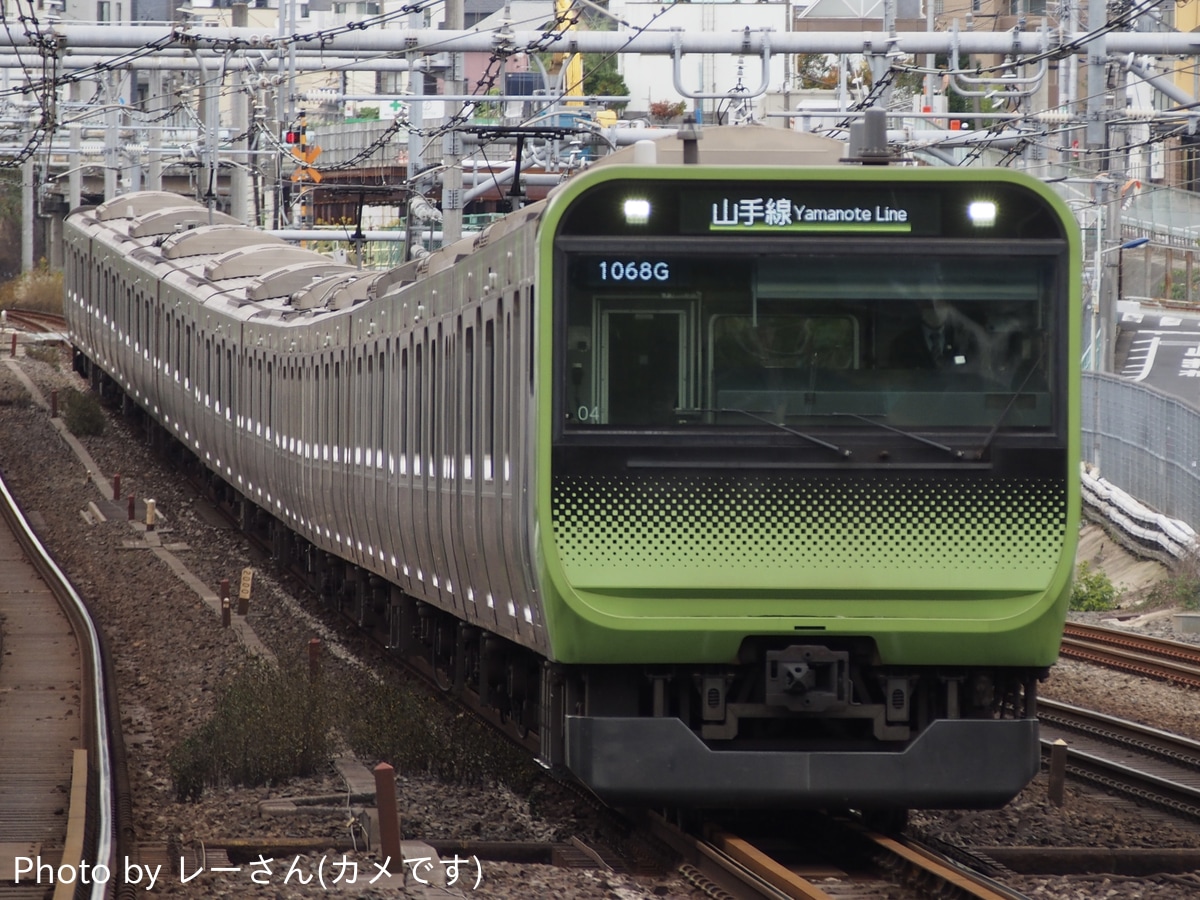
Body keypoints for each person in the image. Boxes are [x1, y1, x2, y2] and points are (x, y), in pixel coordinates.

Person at [889, 299, 975, 370]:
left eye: (940, 304)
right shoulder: (903, 343)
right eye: (929, 305)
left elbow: (973, 370)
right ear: (920, 307)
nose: (935, 309)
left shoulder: (964, 339)